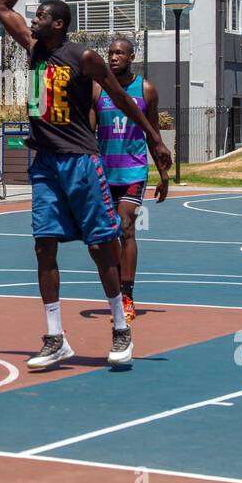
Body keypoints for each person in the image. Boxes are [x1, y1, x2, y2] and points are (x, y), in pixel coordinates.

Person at [0, 0, 172, 371]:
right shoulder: (33, 48)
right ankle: (55, 337)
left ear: (58, 24)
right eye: (33, 16)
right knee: (43, 245)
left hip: (81, 161)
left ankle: (121, 326)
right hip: (46, 164)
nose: (33, 20)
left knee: (99, 246)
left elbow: (123, 100)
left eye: (40, 16)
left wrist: (155, 140)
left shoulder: (84, 58)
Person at [90, 37, 166, 323]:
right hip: (104, 173)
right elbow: (88, 132)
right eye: (110, 53)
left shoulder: (145, 90)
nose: (113, 57)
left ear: (132, 56)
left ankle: (127, 296)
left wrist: (164, 174)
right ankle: (114, 290)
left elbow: (154, 135)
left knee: (126, 228)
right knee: (105, 237)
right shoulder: (98, 89)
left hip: (134, 171)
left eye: (119, 53)